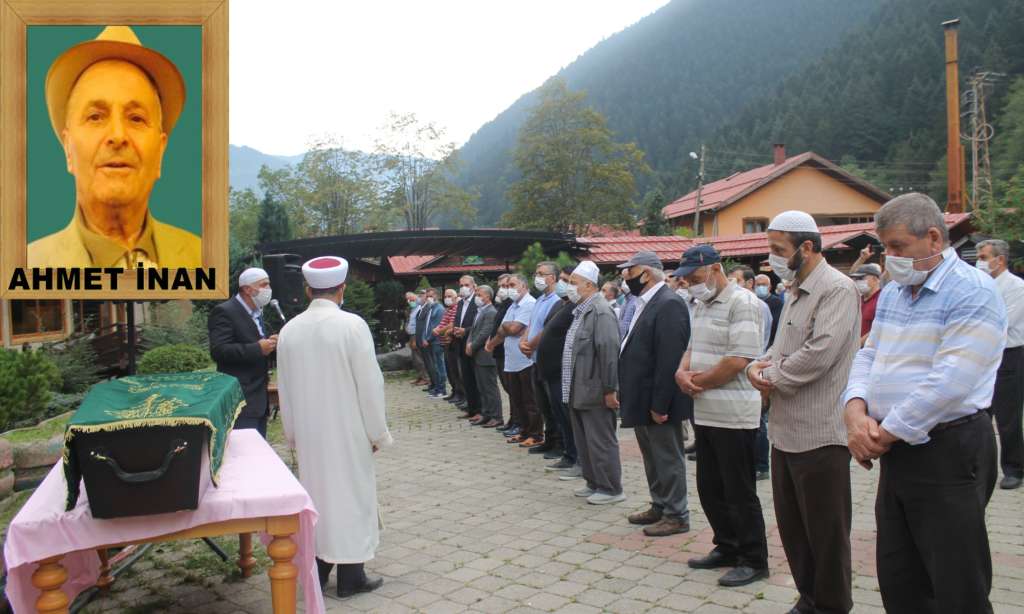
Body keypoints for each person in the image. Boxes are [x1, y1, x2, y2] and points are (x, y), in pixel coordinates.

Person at [843, 193, 1006, 613]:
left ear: (933, 238)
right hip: (897, 450)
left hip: (947, 449)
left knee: (956, 580)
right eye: (886, 248)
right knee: (900, 575)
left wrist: (884, 433)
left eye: (898, 247)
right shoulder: (897, 292)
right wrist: (855, 411)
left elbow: (951, 380)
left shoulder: (973, 291)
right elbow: (868, 354)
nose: (890, 258)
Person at [746, 211, 861, 614]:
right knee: (795, 530)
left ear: (807, 247)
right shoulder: (794, 288)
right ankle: (809, 598)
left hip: (821, 435)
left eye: (779, 249)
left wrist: (770, 376)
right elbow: (782, 350)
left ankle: (831, 605)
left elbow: (819, 354)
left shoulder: (838, 289)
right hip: (786, 431)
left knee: (826, 533)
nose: (773, 257)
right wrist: (756, 365)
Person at [29, 26, 201, 269]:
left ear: (161, 150)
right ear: (68, 148)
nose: (118, 136)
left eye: (136, 118)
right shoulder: (27, 265)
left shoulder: (201, 257)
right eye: (96, 117)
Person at [277, 256, 390, 598]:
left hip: (311, 432)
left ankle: (321, 567)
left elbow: (284, 387)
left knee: (318, 496)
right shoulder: (352, 325)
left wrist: (292, 432)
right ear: (342, 289)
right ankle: (351, 576)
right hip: (348, 428)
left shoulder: (289, 330)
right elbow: (370, 385)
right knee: (351, 497)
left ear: (308, 289)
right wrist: (377, 432)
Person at [675, 244, 769, 588]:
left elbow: (738, 360)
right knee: (710, 487)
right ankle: (726, 546)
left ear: (715, 269)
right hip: (706, 411)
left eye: (695, 277)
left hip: (734, 414)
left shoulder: (744, 303)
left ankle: (754, 558)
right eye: (686, 280)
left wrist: (695, 381)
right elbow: (692, 347)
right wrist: (682, 372)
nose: (690, 284)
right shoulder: (701, 304)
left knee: (739, 491)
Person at [618, 251, 693, 536]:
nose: (625, 277)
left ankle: (677, 514)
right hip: (642, 397)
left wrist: (660, 403)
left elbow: (669, 359)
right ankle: (660, 505)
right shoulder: (644, 302)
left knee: (667, 457)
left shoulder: (669, 304)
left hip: (659, 399)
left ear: (646, 273)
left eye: (629, 271)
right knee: (652, 456)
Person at [563, 261, 625, 505]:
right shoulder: (581, 309)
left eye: (573, 283)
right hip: (578, 389)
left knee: (600, 440)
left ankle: (611, 488)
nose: (569, 287)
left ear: (589, 285)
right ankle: (594, 482)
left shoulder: (600, 311)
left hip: (596, 390)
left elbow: (609, 352)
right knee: (585, 441)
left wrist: (610, 389)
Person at [976, 239, 1024, 490]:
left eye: (984, 257)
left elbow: (1000, 322)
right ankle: (982, 468)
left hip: (1009, 356)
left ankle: (1014, 468)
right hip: (982, 356)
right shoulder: (981, 285)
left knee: (1008, 416)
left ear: (1000, 260)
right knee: (982, 414)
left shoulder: (1015, 287)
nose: (980, 261)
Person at [208, 268, 277, 438]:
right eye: (264, 285)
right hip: (240, 398)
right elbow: (219, 350)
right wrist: (257, 348)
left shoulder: (258, 312)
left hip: (259, 398)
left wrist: (272, 345)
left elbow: (258, 345)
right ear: (247, 289)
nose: (268, 289)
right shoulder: (225, 311)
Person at [536, 267, 580, 475]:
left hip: (562, 372)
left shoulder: (576, 308)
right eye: (562, 280)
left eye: (567, 280)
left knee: (568, 417)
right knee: (560, 416)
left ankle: (576, 457)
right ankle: (568, 454)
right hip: (551, 372)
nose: (563, 284)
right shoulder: (561, 305)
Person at [489, 275, 540, 446]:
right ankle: (523, 431)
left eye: (512, 285)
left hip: (525, 360)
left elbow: (513, 328)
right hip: (511, 361)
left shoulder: (530, 303)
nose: (509, 288)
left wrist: (508, 327)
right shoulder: (513, 305)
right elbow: (503, 329)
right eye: (507, 285)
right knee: (516, 399)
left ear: (524, 286)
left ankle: (535, 434)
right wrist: (507, 328)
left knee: (529, 400)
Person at [520, 263, 563, 457]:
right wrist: (524, 341)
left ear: (552, 278)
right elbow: (531, 324)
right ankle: (549, 439)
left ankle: (559, 444)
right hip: (535, 360)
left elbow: (547, 330)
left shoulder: (557, 301)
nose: (536, 277)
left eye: (541, 274)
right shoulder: (540, 300)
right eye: (536, 273)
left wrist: (531, 345)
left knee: (554, 406)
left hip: (547, 360)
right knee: (543, 404)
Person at [467, 285, 503, 428]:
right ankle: (486, 413)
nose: (476, 297)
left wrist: (472, 345)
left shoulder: (491, 312)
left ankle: (496, 416)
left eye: (479, 294)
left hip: (485, 356)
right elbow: (474, 330)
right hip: (477, 355)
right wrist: (468, 343)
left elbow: (485, 333)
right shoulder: (480, 311)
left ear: (488, 296)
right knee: (482, 387)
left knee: (489, 388)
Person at [453, 276, 481, 417]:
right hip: (460, 345)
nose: (463, 287)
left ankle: (480, 410)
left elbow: (479, 326)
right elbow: (457, 321)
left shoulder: (477, 302)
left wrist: (466, 331)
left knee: (476, 380)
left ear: (474, 286)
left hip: (473, 346)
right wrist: (455, 330)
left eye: (466, 285)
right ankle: (472, 409)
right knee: (467, 379)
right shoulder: (460, 303)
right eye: (461, 285)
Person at [435, 289, 466, 410]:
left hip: (453, 342)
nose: (447, 298)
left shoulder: (456, 309)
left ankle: (461, 394)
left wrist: (440, 331)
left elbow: (451, 325)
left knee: (457, 371)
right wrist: (438, 329)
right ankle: (455, 391)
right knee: (451, 370)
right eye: (446, 296)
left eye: (450, 296)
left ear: (455, 297)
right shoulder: (448, 309)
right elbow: (443, 323)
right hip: (445, 342)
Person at [418, 288, 447, 399]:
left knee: (439, 366)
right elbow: (427, 325)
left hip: (436, 341)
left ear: (437, 296)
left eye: (431, 296)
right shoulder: (431, 308)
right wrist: (424, 337)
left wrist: (428, 339)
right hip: (430, 341)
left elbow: (436, 327)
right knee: (435, 366)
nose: (429, 298)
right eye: (428, 296)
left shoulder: (439, 309)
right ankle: (437, 388)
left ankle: (442, 389)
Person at [849, 264, 882, 347]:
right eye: (856, 279)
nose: (857, 281)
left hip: (871, 350)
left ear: (875, 279)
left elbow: (880, 328)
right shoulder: (858, 299)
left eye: (861, 278)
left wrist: (858, 344)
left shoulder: (882, 299)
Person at [405, 292, 429, 386]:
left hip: (416, 335)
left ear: (416, 297)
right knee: (415, 359)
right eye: (408, 300)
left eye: (411, 299)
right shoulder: (413, 308)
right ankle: (420, 376)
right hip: (412, 335)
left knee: (419, 358)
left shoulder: (419, 308)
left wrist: (415, 339)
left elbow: (419, 325)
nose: (409, 301)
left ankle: (425, 378)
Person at [753, 274, 783, 347]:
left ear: (770, 287)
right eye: (758, 285)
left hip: (770, 342)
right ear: (754, 286)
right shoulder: (752, 301)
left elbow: (776, 324)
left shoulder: (777, 302)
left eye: (763, 285)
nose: (760, 287)